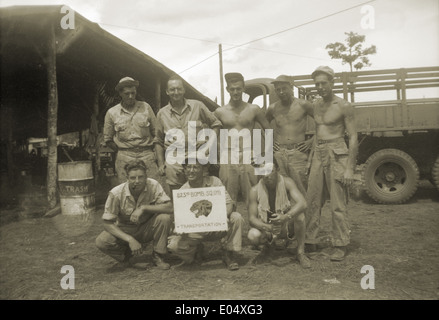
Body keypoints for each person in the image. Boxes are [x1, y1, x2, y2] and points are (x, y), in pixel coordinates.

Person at [305, 66, 358, 261]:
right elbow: (318, 133)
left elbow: (352, 137)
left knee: (337, 202)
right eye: (317, 84)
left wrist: (349, 168)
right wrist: (311, 158)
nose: (320, 87)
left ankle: (340, 243)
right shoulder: (316, 105)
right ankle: (310, 239)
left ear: (332, 83)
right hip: (318, 152)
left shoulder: (343, 105)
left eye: (323, 83)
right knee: (312, 198)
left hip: (337, 153)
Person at [167, 156, 244, 271]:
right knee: (173, 245)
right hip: (197, 231)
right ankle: (195, 252)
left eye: (196, 167)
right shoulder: (182, 192)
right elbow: (181, 218)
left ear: (203, 170)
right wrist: (180, 228)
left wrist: (223, 216)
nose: (191, 170)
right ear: (184, 170)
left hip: (217, 226)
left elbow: (229, 203)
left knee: (236, 217)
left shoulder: (214, 181)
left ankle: (228, 253)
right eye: (188, 167)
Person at [95, 159, 173, 270]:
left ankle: (158, 256)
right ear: (127, 178)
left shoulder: (153, 185)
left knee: (164, 218)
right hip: (126, 229)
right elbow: (107, 223)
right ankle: (127, 258)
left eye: (141, 177)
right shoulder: (116, 193)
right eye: (132, 178)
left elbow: (169, 207)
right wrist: (130, 239)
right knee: (102, 241)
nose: (137, 181)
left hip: (147, 227)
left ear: (146, 176)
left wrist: (144, 208)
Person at [154, 75, 222, 194]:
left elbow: (216, 124)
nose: (176, 92)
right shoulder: (162, 113)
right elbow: (158, 140)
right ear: (167, 91)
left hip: (197, 160)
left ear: (184, 90)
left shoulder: (198, 105)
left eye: (179, 89)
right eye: (172, 89)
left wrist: (208, 144)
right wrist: (161, 164)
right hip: (174, 162)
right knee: (177, 198)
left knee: (201, 194)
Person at [214, 72, 272, 205]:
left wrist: (264, 156)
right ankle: (230, 224)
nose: (236, 92)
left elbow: (268, 130)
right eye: (232, 89)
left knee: (253, 196)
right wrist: (217, 155)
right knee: (227, 198)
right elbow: (212, 134)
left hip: (249, 155)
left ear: (243, 88)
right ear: (227, 89)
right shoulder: (220, 112)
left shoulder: (254, 109)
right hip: (228, 156)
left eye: (238, 88)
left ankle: (256, 225)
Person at [103, 77, 166, 190]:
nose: (131, 96)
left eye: (133, 93)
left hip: (146, 154)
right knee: (126, 189)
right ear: (120, 93)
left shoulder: (146, 107)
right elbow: (108, 139)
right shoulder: (112, 113)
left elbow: (157, 133)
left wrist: (155, 154)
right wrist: (121, 150)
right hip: (124, 156)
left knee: (155, 186)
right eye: (127, 93)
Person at [247, 158, 310, 268]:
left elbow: (303, 203)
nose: (267, 175)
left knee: (300, 216)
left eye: (270, 170)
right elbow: (252, 219)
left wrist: (286, 216)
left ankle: (300, 252)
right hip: (268, 227)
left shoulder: (287, 182)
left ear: (277, 170)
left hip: (285, 225)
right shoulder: (254, 190)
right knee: (252, 235)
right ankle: (268, 247)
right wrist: (267, 227)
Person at [266, 75, 314, 196]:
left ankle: (305, 215)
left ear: (291, 88)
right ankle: (285, 215)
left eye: (284, 88)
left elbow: (322, 123)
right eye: (278, 89)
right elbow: (263, 126)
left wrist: (311, 141)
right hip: (279, 154)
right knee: (281, 191)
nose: (281, 92)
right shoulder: (272, 108)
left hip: (297, 153)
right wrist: (270, 142)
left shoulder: (304, 105)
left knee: (302, 190)